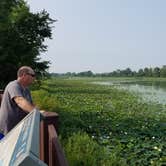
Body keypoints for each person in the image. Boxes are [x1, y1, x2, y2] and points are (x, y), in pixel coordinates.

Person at [0, 66, 36, 138]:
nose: (34, 78)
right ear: (24, 75)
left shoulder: (26, 90)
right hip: (7, 129)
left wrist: (38, 110)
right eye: (32, 75)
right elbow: (20, 101)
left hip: (17, 128)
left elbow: (30, 105)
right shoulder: (13, 85)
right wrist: (38, 114)